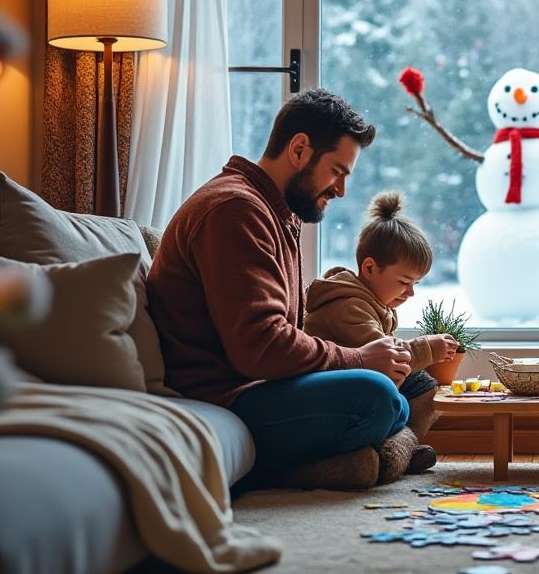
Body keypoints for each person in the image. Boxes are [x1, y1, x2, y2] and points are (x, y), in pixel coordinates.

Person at [147, 89, 417, 492]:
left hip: (256, 386)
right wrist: (357, 357)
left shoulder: (271, 211)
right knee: (375, 396)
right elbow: (260, 346)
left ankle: (351, 460)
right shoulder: (234, 211)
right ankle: (295, 471)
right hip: (226, 396)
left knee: (404, 389)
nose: (341, 190)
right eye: (337, 171)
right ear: (299, 149)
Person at [303, 191, 458, 463]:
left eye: (415, 285)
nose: (410, 293)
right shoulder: (348, 307)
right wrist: (428, 348)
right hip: (334, 394)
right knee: (420, 387)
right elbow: (385, 358)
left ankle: (398, 448)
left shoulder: (373, 303)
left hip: (356, 385)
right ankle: (392, 453)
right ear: (370, 268)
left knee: (423, 386)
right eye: (403, 282)